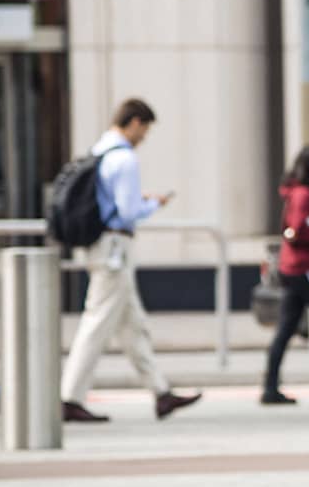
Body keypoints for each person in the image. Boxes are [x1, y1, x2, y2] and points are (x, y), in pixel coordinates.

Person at [59, 99, 202, 424]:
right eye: (146, 129)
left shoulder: (99, 151)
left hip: (103, 246)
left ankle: (161, 392)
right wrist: (151, 204)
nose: (145, 136)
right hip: (114, 250)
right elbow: (127, 212)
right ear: (135, 122)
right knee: (97, 324)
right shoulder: (124, 159)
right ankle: (69, 397)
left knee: (132, 325)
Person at [260, 145, 309, 407]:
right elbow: (298, 232)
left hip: (294, 268)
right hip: (302, 268)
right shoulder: (303, 194)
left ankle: (270, 387)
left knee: (287, 328)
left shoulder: (302, 194)